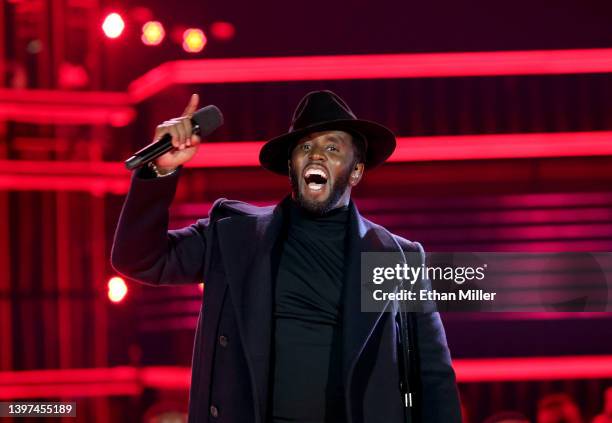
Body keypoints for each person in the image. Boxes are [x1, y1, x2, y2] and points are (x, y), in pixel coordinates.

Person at [111, 90, 461, 423]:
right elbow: (140, 258)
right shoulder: (234, 235)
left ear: (356, 171)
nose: (317, 154)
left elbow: (433, 377)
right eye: (305, 146)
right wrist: (160, 171)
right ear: (290, 165)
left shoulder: (396, 259)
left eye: (333, 147)